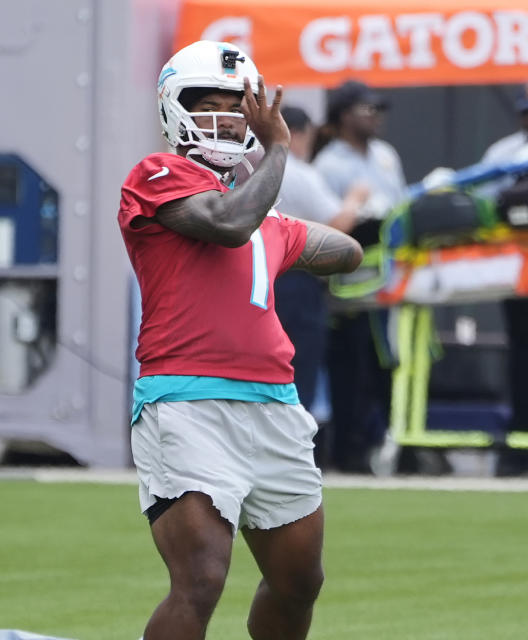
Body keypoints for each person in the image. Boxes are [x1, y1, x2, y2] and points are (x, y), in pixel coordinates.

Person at [119, 41, 363, 640]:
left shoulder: (265, 219)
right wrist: (279, 148)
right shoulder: (157, 174)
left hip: (275, 405)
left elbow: (347, 252)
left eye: (237, 106)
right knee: (201, 578)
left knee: (299, 581)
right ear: (174, 110)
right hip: (188, 402)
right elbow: (226, 224)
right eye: (209, 103)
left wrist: (294, 236)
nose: (226, 117)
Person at [311, 80, 407, 473]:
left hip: (387, 288)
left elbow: (401, 210)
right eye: (366, 109)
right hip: (346, 293)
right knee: (350, 371)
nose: (375, 117)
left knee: (386, 369)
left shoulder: (385, 155)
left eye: (377, 109)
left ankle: (385, 447)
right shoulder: (329, 165)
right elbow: (326, 227)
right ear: (344, 115)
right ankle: (348, 453)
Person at [273, 106, 369, 414]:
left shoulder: (250, 168)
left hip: (258, 278)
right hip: (297, 280)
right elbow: (337, 223)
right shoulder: (299, 172)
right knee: (299, 368)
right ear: (297, 135)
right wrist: (355, 199)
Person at [480, 87, 528, 476]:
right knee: (520, 359)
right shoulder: (504, 154)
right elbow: (479, 202)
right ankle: (517, 445)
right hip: (517, 277)